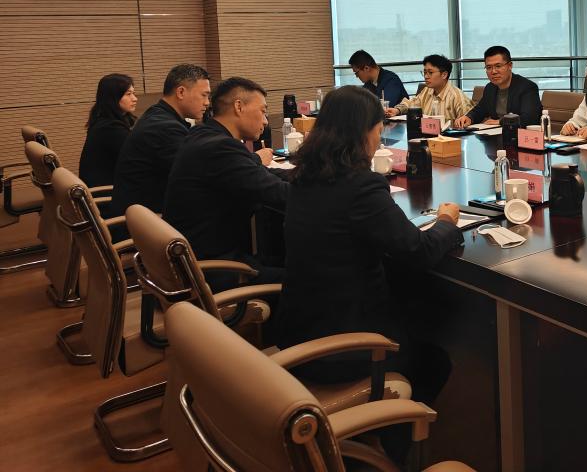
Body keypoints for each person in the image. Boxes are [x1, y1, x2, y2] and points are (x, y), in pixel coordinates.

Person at [279, 85, 463, 411]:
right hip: (341, 348)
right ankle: (388, 433)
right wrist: (447, 222)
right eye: (379, 130)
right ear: (363, 131)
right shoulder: (360, 185)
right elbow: (418, 250)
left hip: (299, 329)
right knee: (434, 360)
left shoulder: (303, 175)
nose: (380, 139)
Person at [163, 77, 288, 284]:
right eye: (263, 111)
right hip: (215, 269)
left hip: (201, 255)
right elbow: (276, 192)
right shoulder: (220, 147)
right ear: (239, 107)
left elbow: (260, 171)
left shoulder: (204, 134)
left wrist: (305, 176)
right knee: (308, 282)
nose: (266, 121)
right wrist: (326, 193)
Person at [112, 63, 210, 217]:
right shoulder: (165, 128)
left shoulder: (158, 114)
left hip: (142, 214)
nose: (207, 102)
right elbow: (197, 175)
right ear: (181, 92)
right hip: (146, 222)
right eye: (204, 95)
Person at [454, 45, 541, 128]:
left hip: (519, 135)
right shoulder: (490, 88)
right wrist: (469, 118)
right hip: (494, 134)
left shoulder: (527, 87)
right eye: (489, 67)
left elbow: (530, 118)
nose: (493, 71)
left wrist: (500, 121)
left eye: (498, 66)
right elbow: (480, 110)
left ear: (510, 66)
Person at [79, 73, 138, 190]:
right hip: (107, 191)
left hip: (111, 186)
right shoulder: (110, 128)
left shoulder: (103, 120)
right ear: (113, 98)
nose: (135, 98)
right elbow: (137, 158)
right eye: (128, 94)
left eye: (133, 93)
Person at [386, 54, 473, 122]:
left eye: (430, 73)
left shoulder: (457, 97)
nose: (426, 76)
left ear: (444, 75)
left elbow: (466, 124)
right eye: (425, 72)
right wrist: (397, 110)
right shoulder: (427, 90)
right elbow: (411, 104)